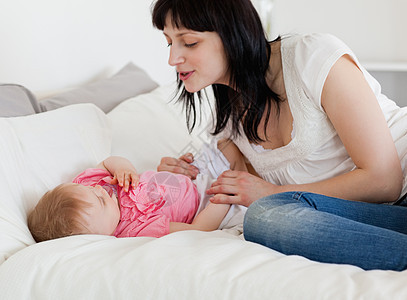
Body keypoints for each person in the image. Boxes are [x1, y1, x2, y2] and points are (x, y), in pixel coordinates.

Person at [152, 0, 407, 270]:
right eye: (169, 43)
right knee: (265, 218)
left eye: (189, 43)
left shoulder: (311, 57)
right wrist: (180, 177)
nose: (173, 59)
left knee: (267, 210)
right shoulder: (228, 123)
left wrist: (273, 192)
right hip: (381, 215)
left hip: (399, 185)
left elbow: (384, 180)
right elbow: (233, 191)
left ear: (233, 32)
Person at [28, 140, 247, 243]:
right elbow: (199, 228)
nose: (100, 190)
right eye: (102, 202)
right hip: (206, 203)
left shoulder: (91, 187)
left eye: (90, 189)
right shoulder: (135, 230)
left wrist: (124, 168)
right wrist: (222, 198)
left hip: (193, 176)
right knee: (244, 196)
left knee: (228, 141)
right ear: (102, 236)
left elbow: (108, 162)